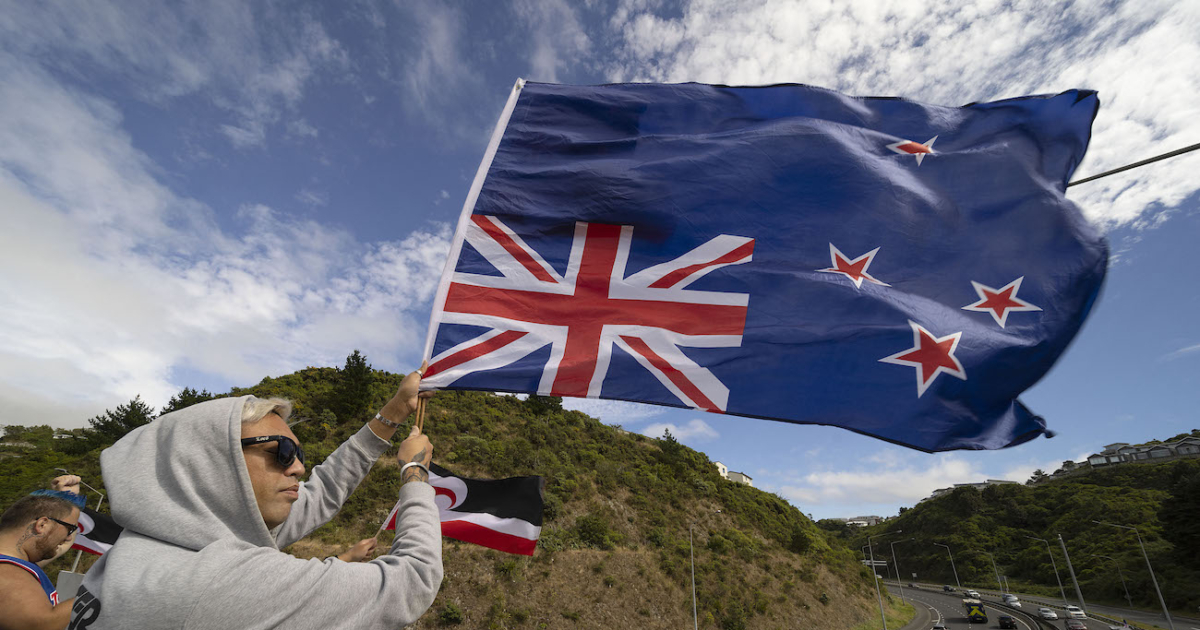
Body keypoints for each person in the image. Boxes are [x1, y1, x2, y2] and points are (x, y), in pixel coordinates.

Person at [70, 364, 442, 630]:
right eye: (281, 452)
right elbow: (414, 579)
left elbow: (323, 492)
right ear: (211, 460)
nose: (297, 468)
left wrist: (392, 412)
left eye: (299, 455)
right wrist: (414, 472)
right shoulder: (217, 583)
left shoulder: (148, 548)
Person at [0, 489, 84, 630]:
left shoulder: (19, 564)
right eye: (70, 529)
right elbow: (43, 625)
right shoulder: (5, 572)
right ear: (42, 525)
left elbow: (64, 546)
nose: (69, 537)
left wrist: (66, 497)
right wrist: (103, 591)